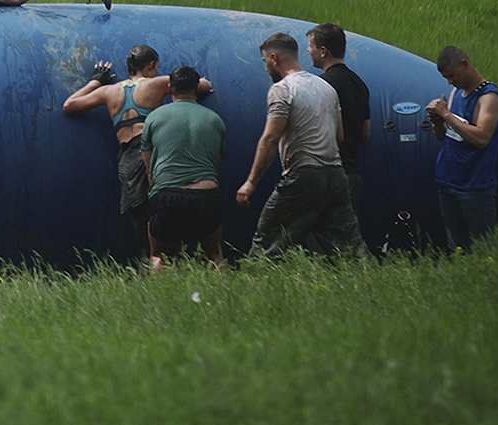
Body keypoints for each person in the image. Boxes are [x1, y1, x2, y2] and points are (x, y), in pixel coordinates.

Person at [62, 45, 209, 264]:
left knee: (143, 230)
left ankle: (149, 267)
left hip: (128, 162)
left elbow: (69, 105)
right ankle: (171, 266)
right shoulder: (156, 84)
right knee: (164, 218)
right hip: (154, 156)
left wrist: (97, 81)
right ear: (150, 65)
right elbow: (202, 86)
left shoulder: (109, 91)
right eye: (156, 67)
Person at [238, 33, 364, 257]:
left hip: (304, 175)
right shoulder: (326, 87)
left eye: (265, 61)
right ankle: (367, 279)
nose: (266, 67)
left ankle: (254, 282)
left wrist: (250, 182)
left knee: (268, 239)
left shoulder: (283, 89)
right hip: (335, 176)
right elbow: (339, 137)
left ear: (274, 58)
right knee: (347, 246)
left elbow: (270, 138)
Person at [137, 66, 227, 272]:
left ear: (169, 89)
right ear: (197, 89)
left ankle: (160, 300)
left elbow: (149, 165)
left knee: (158, 255)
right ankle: (222, 299)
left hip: (166, 193)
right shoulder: (215, 119)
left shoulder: (154, 118)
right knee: (213, 254)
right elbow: (216, 160)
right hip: (206, 193)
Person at [428, 45, 498, 251]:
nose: (450, 82)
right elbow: (445, 135)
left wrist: (446, 116)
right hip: (448, 181)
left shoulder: (489, 98)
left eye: (452, 75)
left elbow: (482, 138)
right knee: (456, 247)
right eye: (446, 78)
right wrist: (437, 122)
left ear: (465, 64)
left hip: (475, 187)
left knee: (482, 248)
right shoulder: (455, 94)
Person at [307, 23, 371, 250]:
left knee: (319, 237)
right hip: (352, 173)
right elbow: (365, 134)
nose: (308, 51)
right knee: (348, 238)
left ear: (323, 51)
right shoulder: (360, 84)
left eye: (310, 46)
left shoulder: (322, 85)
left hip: (328, 174)